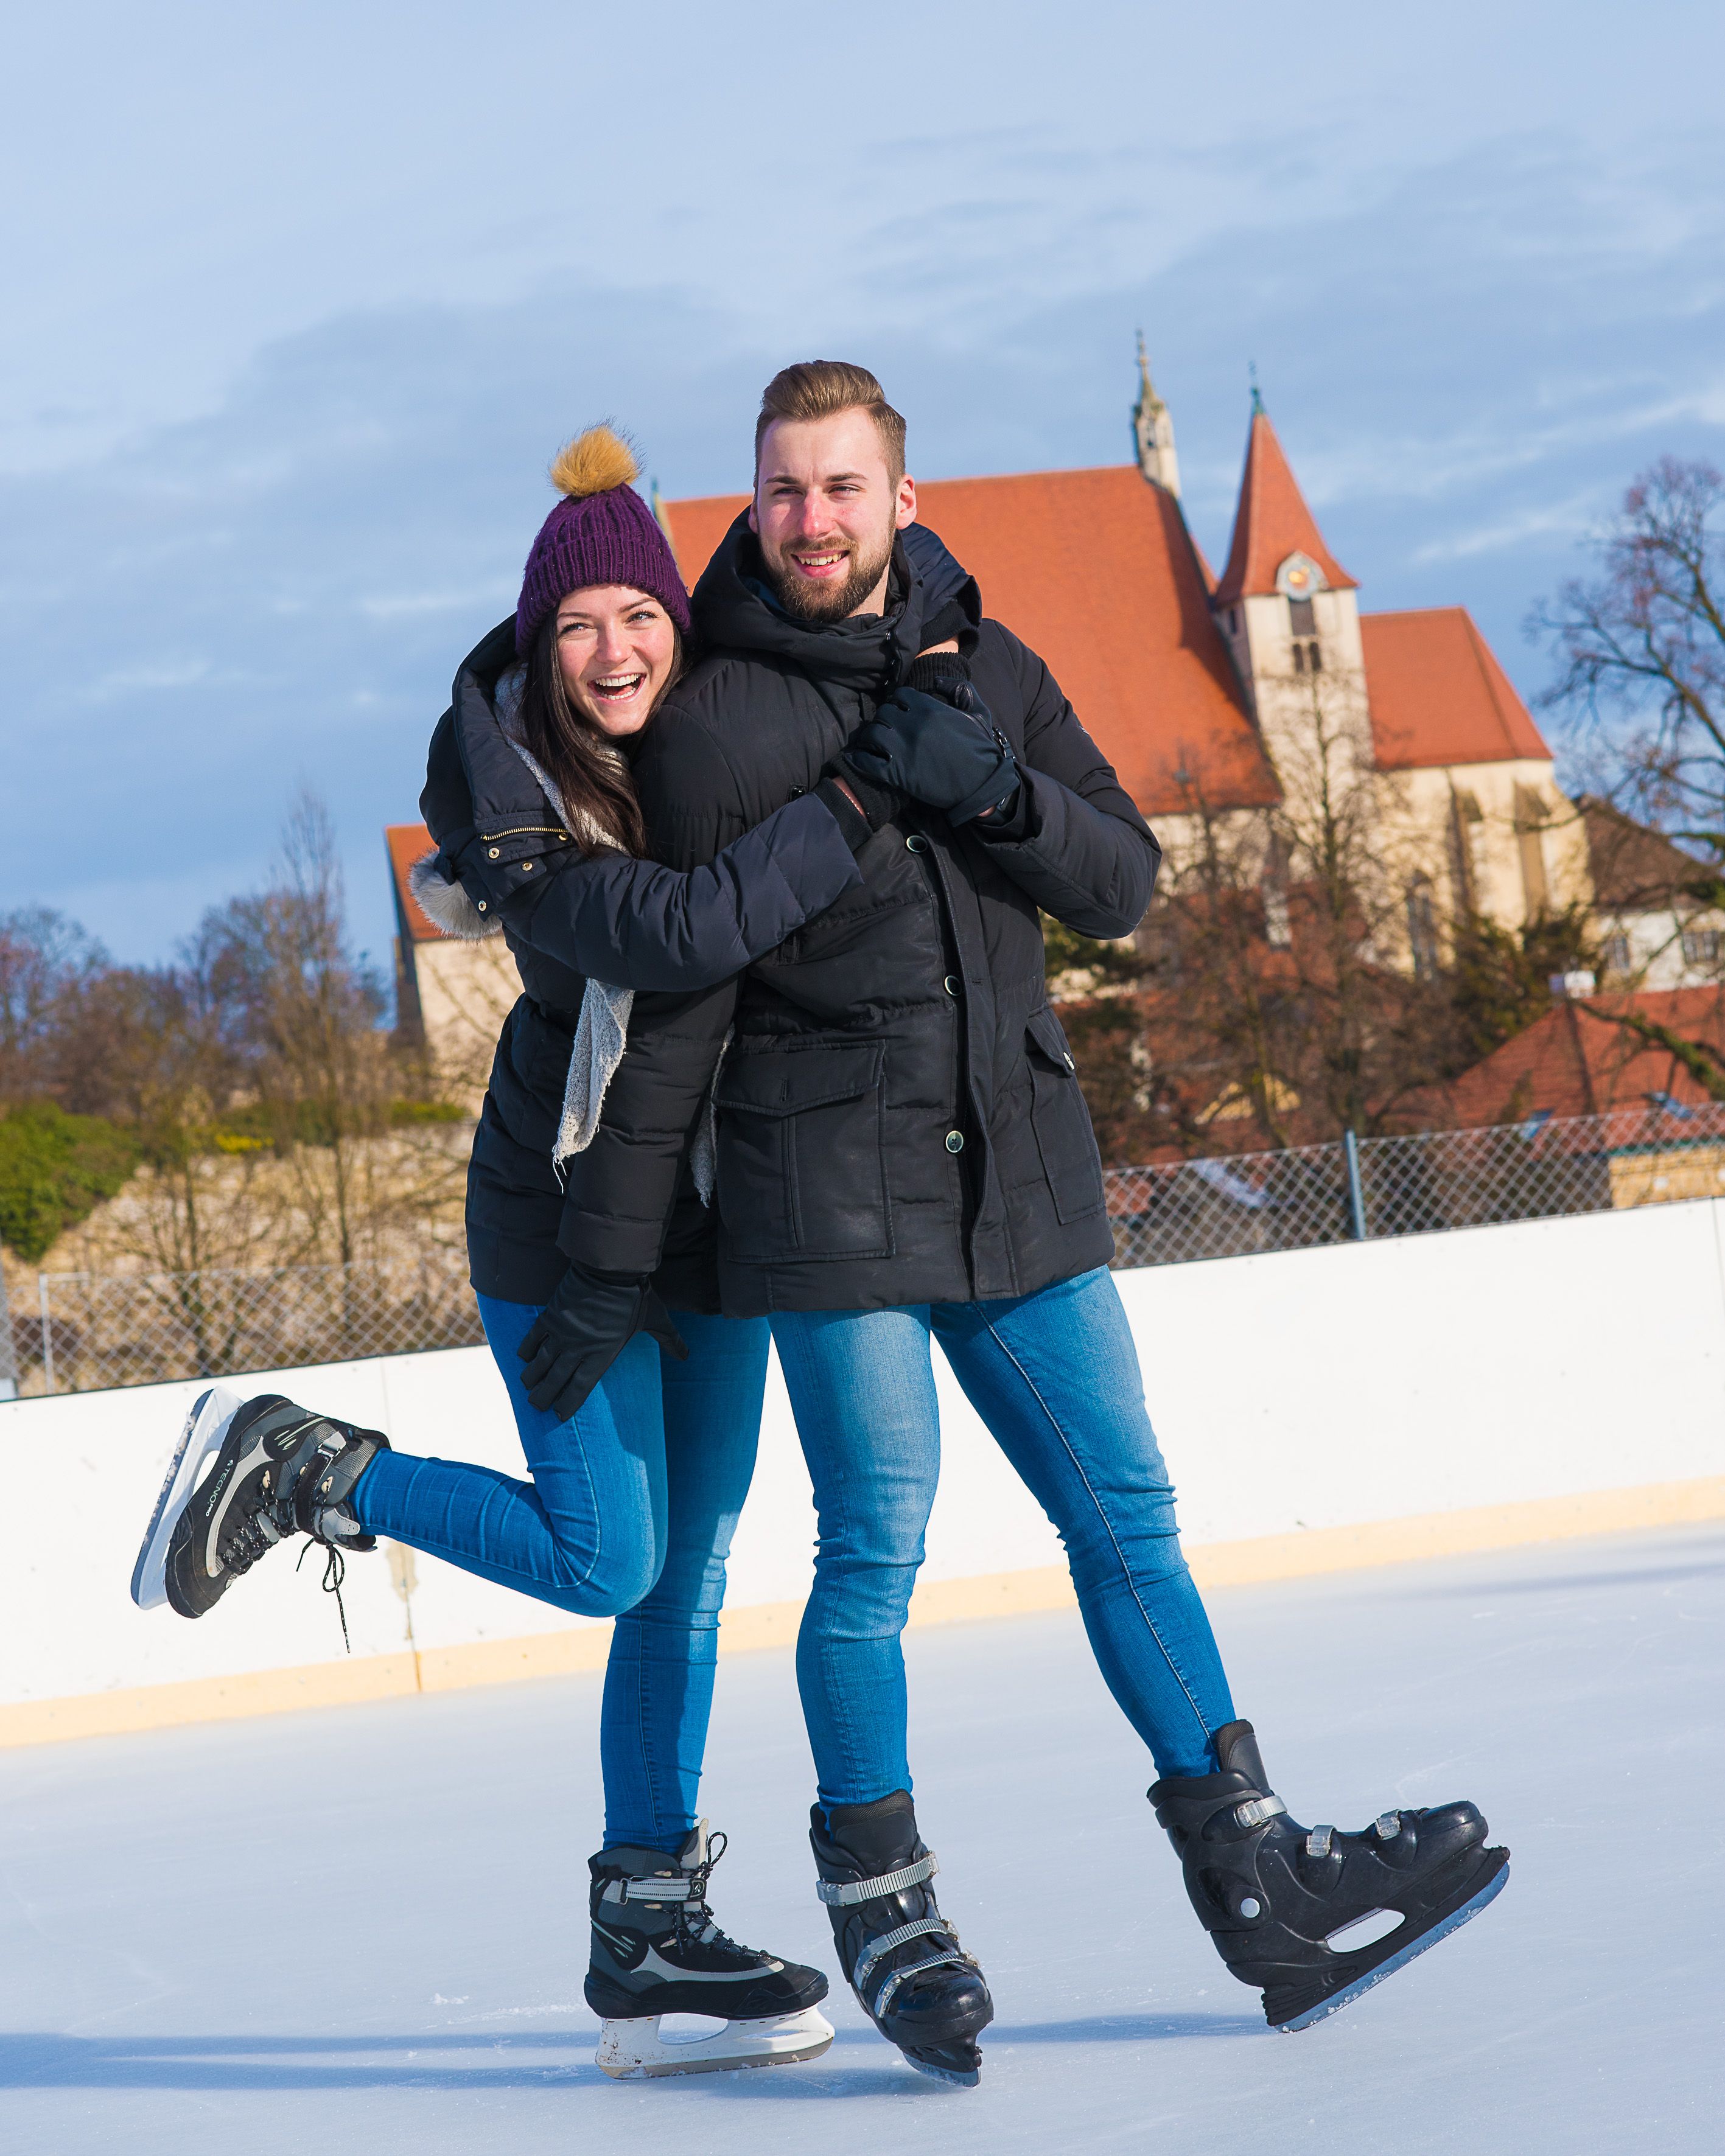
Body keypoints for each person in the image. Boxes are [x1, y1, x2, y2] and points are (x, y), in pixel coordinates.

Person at [530, 361, 1511, 2089]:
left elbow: (1124, 882)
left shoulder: (990, 665)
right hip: (824, 1202)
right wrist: (609, 1255)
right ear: (747, 509)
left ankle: (1257, 1875)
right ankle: (882, 1898)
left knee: (1128, 1515)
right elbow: (675, 1005)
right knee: (873, 1555)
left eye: (842, 488)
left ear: (901, 498)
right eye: (781, 491)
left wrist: (994, 790)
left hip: (1025, 1176)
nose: (811, 520)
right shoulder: (713, 722)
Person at [130, 422, 987, 2081]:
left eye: (641, 616)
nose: (613, 649)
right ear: (539, 648)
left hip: (710, 1222)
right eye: (578, 623)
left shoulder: (707, 753)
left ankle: (647, 1923)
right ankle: (315, 1464)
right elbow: (685, 933)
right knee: (607, 1557)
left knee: (684, 1574)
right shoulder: (513, 807)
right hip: (560, 1216)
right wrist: (872, 782)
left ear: (681, 626)